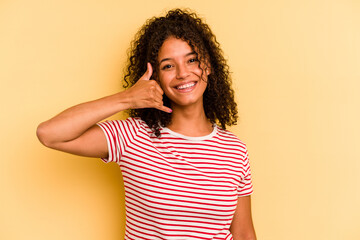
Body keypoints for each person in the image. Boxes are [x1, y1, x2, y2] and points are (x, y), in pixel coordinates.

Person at [36, 8, 256, 240]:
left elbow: (243, 233)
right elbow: (49, 134)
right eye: (168, 66)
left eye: (192, 60)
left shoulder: (234, 150)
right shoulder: (132, 135)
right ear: (156, 78)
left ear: (208, 66)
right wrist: (127, 97)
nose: (183, 73)